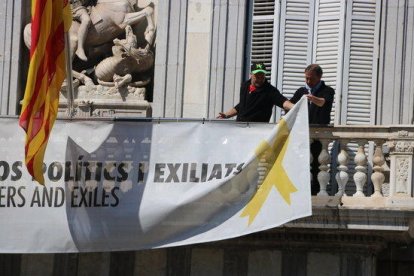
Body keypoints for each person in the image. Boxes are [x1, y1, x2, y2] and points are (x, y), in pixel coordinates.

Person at [290, 64, 335, 195]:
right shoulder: (301, 91)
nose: (308, 81)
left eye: (311, 79)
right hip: (301, 134)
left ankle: (315, 192)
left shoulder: (328, 90)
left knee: (317, 164)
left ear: (319, 77)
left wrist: (311, 98)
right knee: (300, 164)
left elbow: (322, 102)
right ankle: (300, 191)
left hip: (318, 135)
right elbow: (290, 106)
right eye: (306, 78)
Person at [217, 62, 293, 122]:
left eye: (262, 76)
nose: (259, 79)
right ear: (251, 74)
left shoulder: (270, 91)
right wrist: (226, 115)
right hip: (240, 129)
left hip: (256, 131)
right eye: (257, 76)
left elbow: (284, 103)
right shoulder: (245, 85)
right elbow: (242, 106)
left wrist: (300, 106)